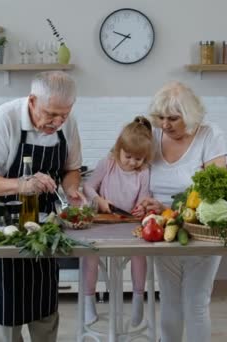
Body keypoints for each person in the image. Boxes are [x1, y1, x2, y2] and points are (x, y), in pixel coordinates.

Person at [0, 71, 85, 342]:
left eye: (64, 115)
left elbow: (72, 168)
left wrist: (70, 189)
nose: (57, 122)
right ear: (32, 101)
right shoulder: (5, 119)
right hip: (7, 228)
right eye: (51, 114)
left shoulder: (66, 124)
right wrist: (21, 185)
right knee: (6, 307)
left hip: (47, 230)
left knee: (45, 305)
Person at [140, 81, 227, 342]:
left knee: (196, 303)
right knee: (168, 300)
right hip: (162, 231)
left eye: (173, 118)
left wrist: (169, 207)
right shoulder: (154, 136)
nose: (165, 124)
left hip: (200, 232)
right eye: (161, 117)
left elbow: (215, 192)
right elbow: (127, 168)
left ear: (188, 116)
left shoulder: (209, 135)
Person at [81, 116, 153, 327]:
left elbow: (144, 197)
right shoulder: (108, 163)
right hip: (103, 222)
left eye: (138, 159)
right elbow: (88, 187)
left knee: (140, 254)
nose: (132, 162)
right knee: (90, 254)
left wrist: (141, 207)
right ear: (118, 148)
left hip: (130, 223)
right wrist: (99, 200)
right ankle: (88, 300)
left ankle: (138, 298)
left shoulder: (144, 172)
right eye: (128, 156)